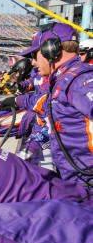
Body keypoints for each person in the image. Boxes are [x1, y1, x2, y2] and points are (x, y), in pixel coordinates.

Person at [21, 22, 93, 185]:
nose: (32, 62)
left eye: (34, 55)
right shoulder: (63, 81)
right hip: (75, 181)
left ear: (50, 50)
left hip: (86, 185)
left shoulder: (79, 80)